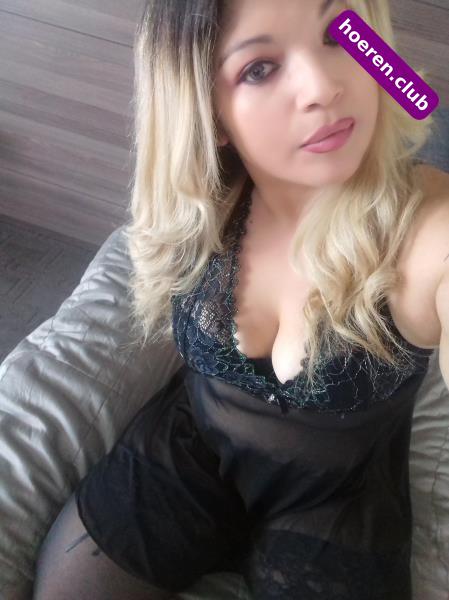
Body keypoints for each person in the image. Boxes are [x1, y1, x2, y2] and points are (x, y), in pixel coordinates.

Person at [33, 0, 448, 598]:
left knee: (420, 108)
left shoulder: (430, 229)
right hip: (191, 448)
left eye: (337, 36)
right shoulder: (202, 203)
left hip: (338, 499)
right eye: (258, 69)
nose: (322, 88)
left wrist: (401, 90)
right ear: (208, 114)